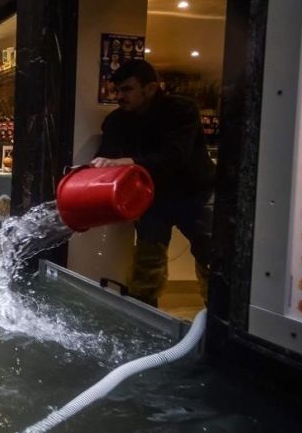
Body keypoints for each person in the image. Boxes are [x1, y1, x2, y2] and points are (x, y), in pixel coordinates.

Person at [91, 60, 215, 306]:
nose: (119, 96)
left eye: (126, 89)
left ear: (150, 88)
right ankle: (145, 322)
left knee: (211, 258)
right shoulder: (116, 120)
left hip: (196, 193)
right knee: (147, 263)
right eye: (117, 90)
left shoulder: (181, 110)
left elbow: (176, 156)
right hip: (151, 197)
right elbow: (107, 157)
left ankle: (218, 325)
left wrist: (128, 162)